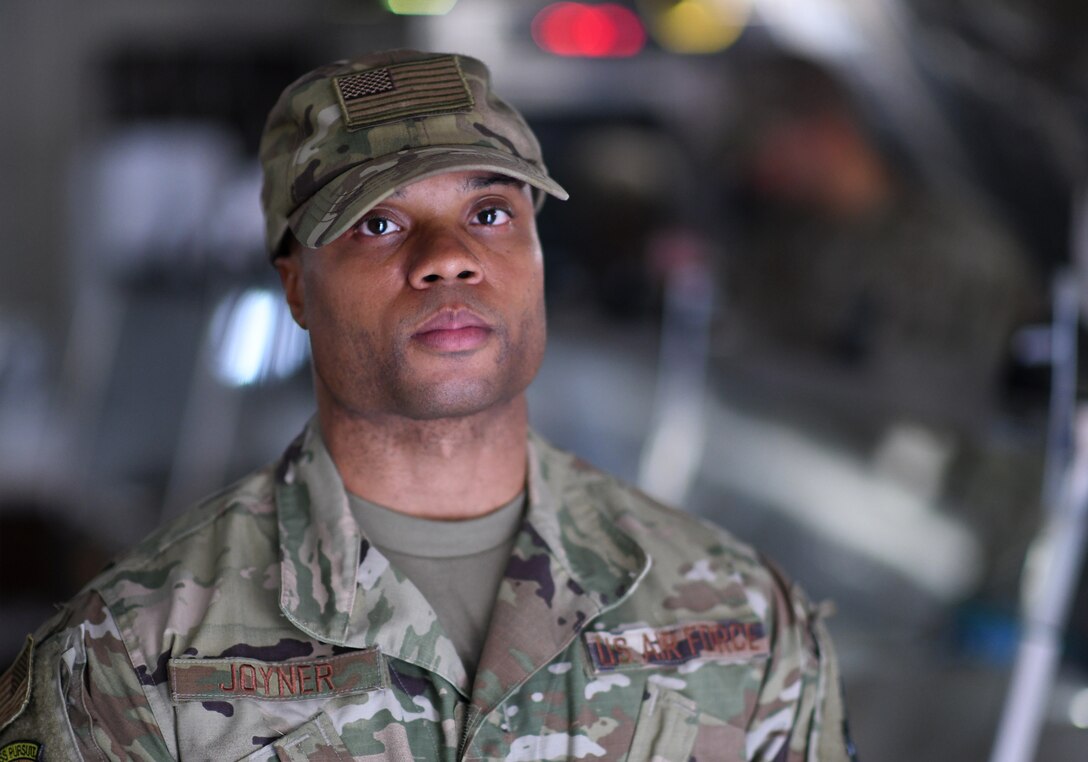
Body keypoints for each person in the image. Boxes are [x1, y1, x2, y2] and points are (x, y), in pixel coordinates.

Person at [0, 50, 854, 761]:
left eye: (489, 212)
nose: (448, 258)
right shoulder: (134, 654)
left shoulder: (741, 620)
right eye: (378, 223)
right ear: (296, 284)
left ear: (538, 257)